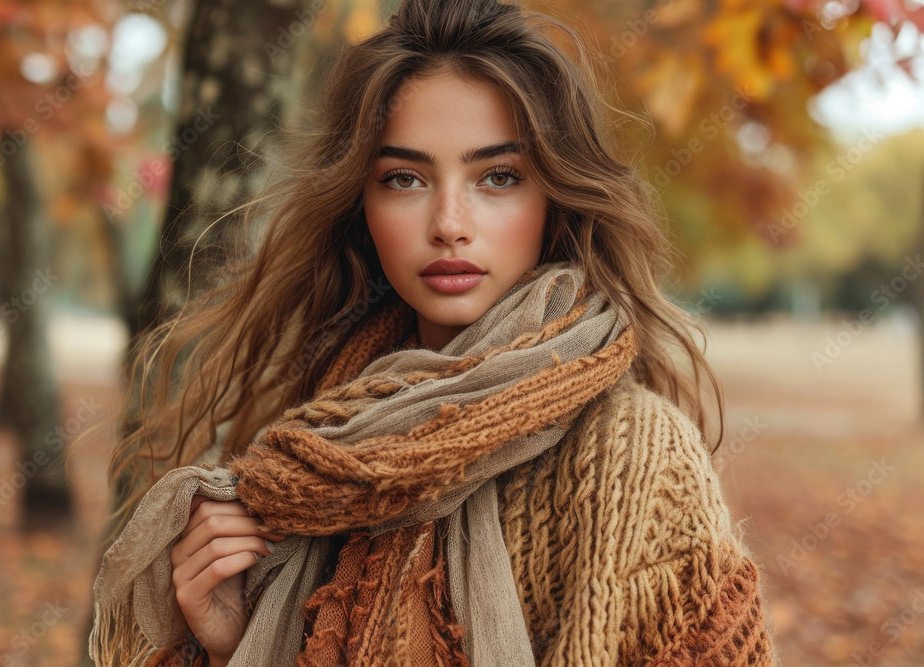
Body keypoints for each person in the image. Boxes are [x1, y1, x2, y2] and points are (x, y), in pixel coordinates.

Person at [87, 0, 781, 665]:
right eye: (406, 178)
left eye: (498, 176)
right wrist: (230, 645)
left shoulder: (633, 454)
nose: (450, 221)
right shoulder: (316, 446)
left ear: (555, 199)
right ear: (361, 203)